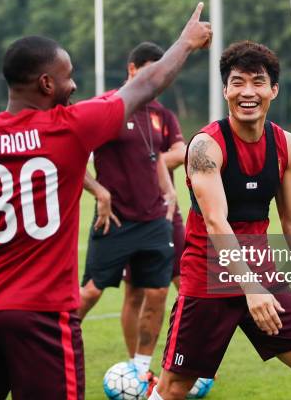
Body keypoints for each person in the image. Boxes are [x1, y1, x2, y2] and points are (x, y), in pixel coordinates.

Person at [0, 3, 212, 399]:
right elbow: (147, 85)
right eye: (68, 77)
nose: (73, 86)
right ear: (45, 84)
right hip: (43, 315)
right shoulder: (71, 129)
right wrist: (187, 42)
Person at [151, 41, 291, 400]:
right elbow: (216, 223)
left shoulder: (285, 144)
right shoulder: (206, 147)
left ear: (274, 90)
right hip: (209, 278)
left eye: (257, 82)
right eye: (238, 82)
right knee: (174, 388)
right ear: (225, 90)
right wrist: (250, 290)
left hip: (262, 274)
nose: (248, 92)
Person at [78, 42, 186, 390]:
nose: (156, 80)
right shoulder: (108, 107)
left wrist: (168, 187)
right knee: (91, 293)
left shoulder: (161, 115)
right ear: (132, 70)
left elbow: (168, 153)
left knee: (156, 294)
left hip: (155, 221)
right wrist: (100, 192)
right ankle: (45, 348)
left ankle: (141, 371)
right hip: (116, 222)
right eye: (150, 72)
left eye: (161, 73)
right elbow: (70, 153)